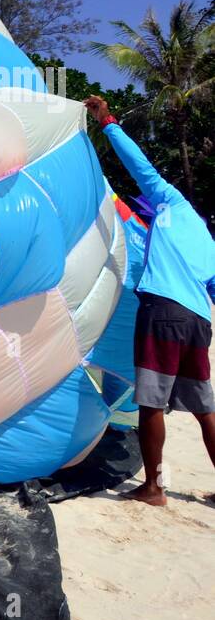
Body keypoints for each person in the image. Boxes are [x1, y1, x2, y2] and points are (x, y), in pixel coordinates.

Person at [85, 95, 215, 505]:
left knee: (151, 403)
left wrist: (107, 122)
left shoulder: (170, 200)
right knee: (202, 407)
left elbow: (140, 166)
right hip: (199, 321)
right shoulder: (207, 241)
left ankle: (154, 487)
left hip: (164, 313)